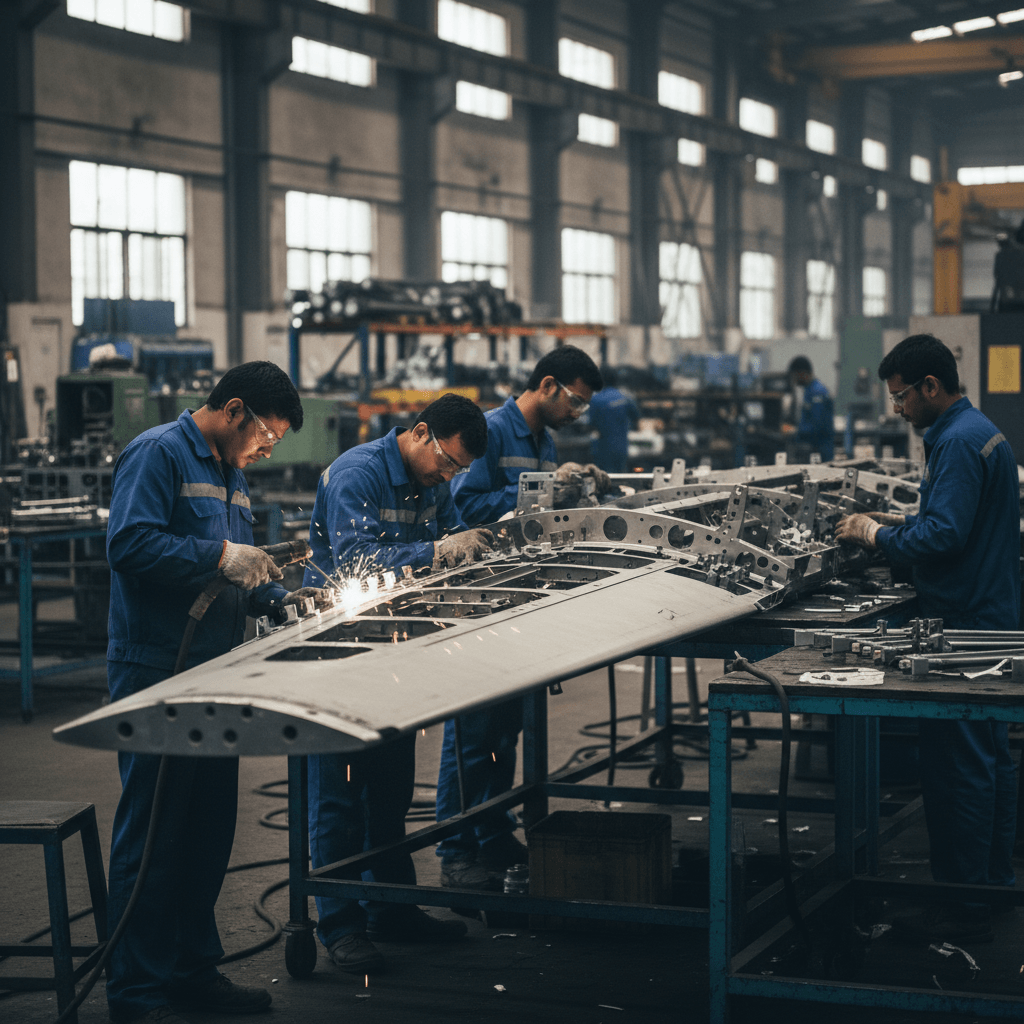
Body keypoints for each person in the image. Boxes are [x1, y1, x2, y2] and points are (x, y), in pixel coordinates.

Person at [105, 361, 328, 1024]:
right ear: (234, 411)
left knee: (205, 832)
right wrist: (216, 558)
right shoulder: (157, 454)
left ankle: (191, 970)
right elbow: (129, 543)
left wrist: (283, 598)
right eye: (268, 435)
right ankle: (137, 991)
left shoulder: (231, 474)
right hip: (156, 668)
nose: (269, 449)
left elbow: (246, 566)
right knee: (154, 835)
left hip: (216, 669)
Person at [836, 333, 1020, 944]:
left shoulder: (960, 443)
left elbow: (945, 538)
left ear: (930, 388)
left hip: (966, 623)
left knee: (960, 766)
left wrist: (872, 535)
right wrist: (900, 523)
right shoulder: (974, 432)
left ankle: (964, 903)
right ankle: (987, 886)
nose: (898, 410)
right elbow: (945, 522)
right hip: (988, 614)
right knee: (988, 759)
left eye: (900, 399)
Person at [303, 393, 493, 977]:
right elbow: (358, 562)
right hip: (338, 649)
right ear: (419, 432)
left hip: (393, 647)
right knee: (340, 793)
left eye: (460, 470)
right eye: (448, 462)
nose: (450, 475)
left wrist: (474, 549)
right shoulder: (357, 474)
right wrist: (437, 550)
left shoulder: (431, 479)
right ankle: (340, 925)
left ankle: (391, 909)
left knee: (388, 787)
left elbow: (451, 535)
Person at [436, 345, 605, 891]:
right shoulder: (488, 432)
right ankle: (455, 847)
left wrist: (568, 489)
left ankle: (490, 831)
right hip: (482, 596)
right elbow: (464, 508)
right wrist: (542, 491)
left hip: (522, 594)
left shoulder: (545, 440)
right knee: (471, 730)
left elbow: (536, 516)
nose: (578, 413)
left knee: (504, 730)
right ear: (548, 384)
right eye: (575, 401)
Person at [587, 368, 640, 473]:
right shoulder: (625, 397)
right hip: (622, 446)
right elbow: (636, 417)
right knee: (621, 478)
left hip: (602, 448)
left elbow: (590, 423)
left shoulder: (595, 400)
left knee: (603, 479)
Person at [788, 355, 834, 462]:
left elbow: (817, 425)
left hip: (820, 450)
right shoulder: (809, 391)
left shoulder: (817, 392)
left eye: (795, 376)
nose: (794, 380)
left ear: (802, 373)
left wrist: (794, 431)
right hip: (813, 449)